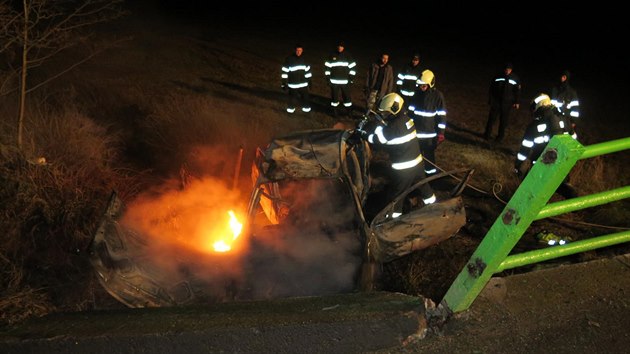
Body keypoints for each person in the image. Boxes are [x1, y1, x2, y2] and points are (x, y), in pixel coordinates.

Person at [361, 92, 436, 218]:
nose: (384, 115)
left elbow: (379, 139)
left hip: (404, 171)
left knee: (396, 196)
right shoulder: (406, 120)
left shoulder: (394, 127)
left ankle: (393, 219)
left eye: (386, 112)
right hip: (417, 165)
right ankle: (434, 207)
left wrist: (366, 132)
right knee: (423, 187)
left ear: (394, 110)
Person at [515, 93, 578, 198]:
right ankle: (574, 202)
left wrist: (518, 165)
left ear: (538, 106)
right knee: (561, 185)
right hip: (562, 163)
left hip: (540, 166)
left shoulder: (533, 126)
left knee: (527, 191)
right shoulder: (565, 120)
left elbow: (525, 149)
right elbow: (574, 139)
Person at [409, 69, 446, 175]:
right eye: (420, 85)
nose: (421, 88)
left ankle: (431, 176)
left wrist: (441, 133)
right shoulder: (416, 94)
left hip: (430, 136)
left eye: (424, 86)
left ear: (431, 84)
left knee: (429, 157)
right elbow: (411, 112)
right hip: (416, 133)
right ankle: (417, 176)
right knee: (416, 157)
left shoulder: (438, 96)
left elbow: (442, 116)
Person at [484, 62, 521, 142]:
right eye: (506, 69)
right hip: (496, 102)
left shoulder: (515, 78)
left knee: (503, 121)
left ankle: (500, 137)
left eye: (509, 69)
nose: (507, 71)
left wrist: (516, 102)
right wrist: (491, 100)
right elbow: (492, 88)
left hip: (507, 103)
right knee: (491, 119)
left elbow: (517, 91)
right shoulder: (498, 76)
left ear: (511, 70)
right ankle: (487, 135)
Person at [324, 41, 357, 117]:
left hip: (345, 82)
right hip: (334, 82)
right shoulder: (332, 55)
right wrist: (328, 79)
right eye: (338, 46)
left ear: (343, 47)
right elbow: (327, 68)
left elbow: (353, 68)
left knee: (347, 97)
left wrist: (351, 79)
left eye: (341, 46)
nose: (340, 48)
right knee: (334, 98)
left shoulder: (348, 56)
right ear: (337, 47)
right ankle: (334, 111)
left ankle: (349, 112)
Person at [281, 44, 312, 113]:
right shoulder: (289, 59)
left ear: (302, 51)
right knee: (292, 99)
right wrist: (284, 83)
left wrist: (310, 82)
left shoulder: (305, 59)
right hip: (293, 84)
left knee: (305, 99)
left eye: (300, 50)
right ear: (294, 50)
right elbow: (284, 72)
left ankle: (306, 112)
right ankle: (290, 112)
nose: (298, 52)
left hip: (303, 84)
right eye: (297, 50)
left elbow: (308, 71)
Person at [550, 70, 579, 138]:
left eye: (564, 76)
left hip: (567, 121)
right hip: (556, 119)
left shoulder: (571, 92)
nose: (562, 78)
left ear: (566, 78)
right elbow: (552, 105)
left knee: (568, 139)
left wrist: (573, 122)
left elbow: (575, 109)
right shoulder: (555, 90)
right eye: (561, 76)